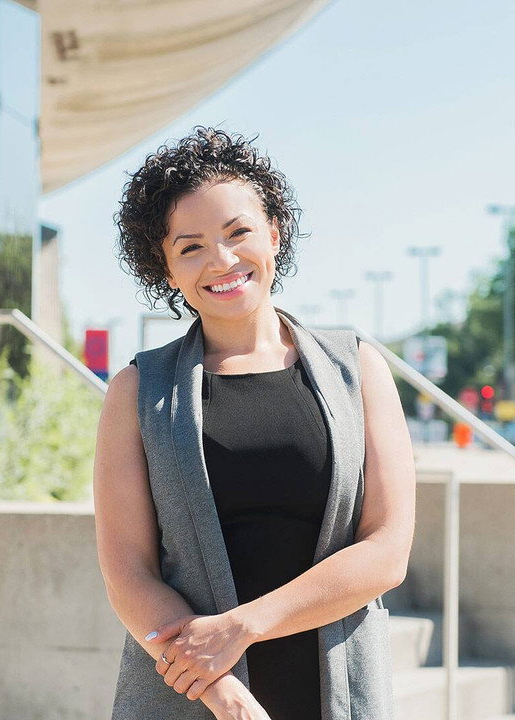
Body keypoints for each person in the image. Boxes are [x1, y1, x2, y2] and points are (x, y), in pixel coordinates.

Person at [94, 127, 415, 720]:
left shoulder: (359, 367)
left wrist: (240, 629)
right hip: (194, 696)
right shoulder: (137, 391)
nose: (221, 261)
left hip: (334, 688)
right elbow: (128, 574)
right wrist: (220, 688)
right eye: (189, 247)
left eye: (238, 232)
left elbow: (387, 550)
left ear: (274, 232)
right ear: (165, 270)